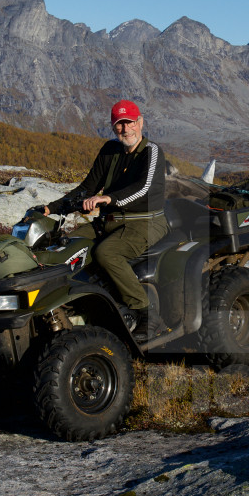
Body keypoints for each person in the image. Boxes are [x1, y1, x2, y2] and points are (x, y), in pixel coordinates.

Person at [44, 99, 169, 337]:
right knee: (68, 246)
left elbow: (144, 188)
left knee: (106, 253)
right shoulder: (110, 151)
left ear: (140, 122)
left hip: (145, 221)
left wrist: (108, 199)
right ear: (113, 127)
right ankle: (69, 304)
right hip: (110, 221)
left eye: (129, 123)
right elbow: (88, 187)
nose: (125, 129)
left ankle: (144, 311)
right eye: (119, 125)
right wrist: (51, 209)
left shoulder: (152, 152)